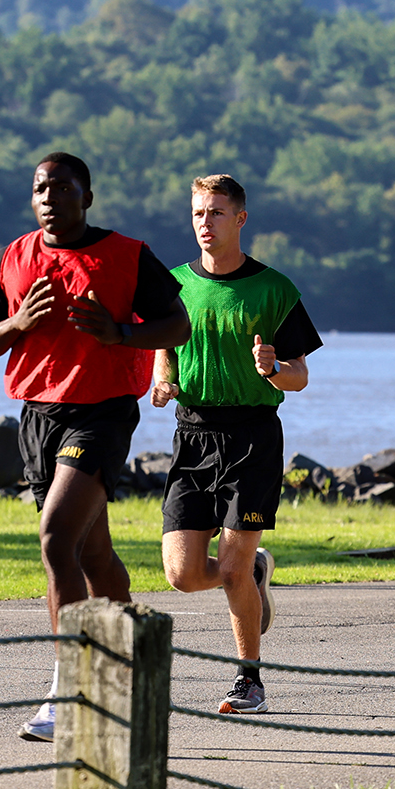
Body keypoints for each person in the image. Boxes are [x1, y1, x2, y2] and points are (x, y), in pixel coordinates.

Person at [0, 152, 191, 742]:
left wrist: (122, 334)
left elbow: (178, 324)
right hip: (38, 415)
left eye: (62, 188)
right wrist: (16, 326)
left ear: (86, 197)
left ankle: (70, 686)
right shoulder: (11, 258)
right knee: (92, 555)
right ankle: (131, 660)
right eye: (40, 188)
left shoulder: (127, 255)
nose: (49, 197)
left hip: (103, 413)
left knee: (55, 536)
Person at [149, 175, 322, 715]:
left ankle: (250, 680)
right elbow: (165, 346)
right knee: (181, 575)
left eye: (217, 213)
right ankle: (253, 575)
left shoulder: (274, 289)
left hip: (252, 435)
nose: (206, 222)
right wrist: (164, 379)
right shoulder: (173, 284)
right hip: (192, 433)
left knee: (230, 565)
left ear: (240, 219)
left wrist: (273, 370)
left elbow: (301, 376)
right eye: (199, 213)